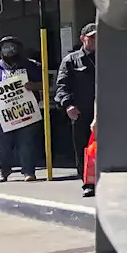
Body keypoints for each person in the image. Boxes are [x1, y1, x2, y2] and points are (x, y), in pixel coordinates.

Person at [0, 37, 44, 182]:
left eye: (11, 47)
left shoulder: (32, 65)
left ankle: (28, 172)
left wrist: (34, 86)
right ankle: (3, 171)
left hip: (27, 112)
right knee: (1, 145)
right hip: (1, 114)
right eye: (5, 48)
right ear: (0, 51)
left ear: (18, 49)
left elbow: (45, 83)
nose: (8, 51)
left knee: (27, 144)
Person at [55, 23, 97, 196]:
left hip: (109, 110)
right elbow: (61, 87)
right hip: (82, 112)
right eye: (92, 37)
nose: (96, 40)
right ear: (83, 38)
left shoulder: (110, 56)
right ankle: (88, 182)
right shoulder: (71, 60)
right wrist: (68, 105)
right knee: (84, 148)